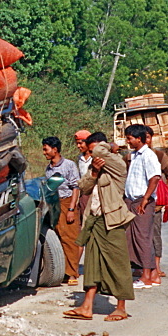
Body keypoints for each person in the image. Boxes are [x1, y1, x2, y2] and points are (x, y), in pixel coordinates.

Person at [63, 132, 136, 322]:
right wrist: (94, 173)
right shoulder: (97, 167)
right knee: (92, 264)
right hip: (95, 219)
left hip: (112, 220)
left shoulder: (118, 165)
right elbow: (84, 186)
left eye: (98, 150)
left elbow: (98, 150)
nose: (95, 155)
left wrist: (108, 145)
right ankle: (86, 306)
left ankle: (121, 308)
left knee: (118, 263)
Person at [123, 124, 162, 289]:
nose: (128, 141)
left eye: (130, 138)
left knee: (143, 239)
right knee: (133, 238)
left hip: (142, 202)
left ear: (138, 138)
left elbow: (155, 178)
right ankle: (151, 274)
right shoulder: (134, 155)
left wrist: (145, 200)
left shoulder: (148, 155)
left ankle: (146, 276)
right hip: (132, 201)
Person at [42, 136, 82, 286]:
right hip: (54, 204)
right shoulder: (49, 168)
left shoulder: (69, 165)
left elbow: (75, 188)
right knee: (58, 236)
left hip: (67, 203)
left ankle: (72, 273)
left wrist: (71, 209)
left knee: (70, 239)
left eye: (46, 149)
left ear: (55, 149)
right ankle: (62, 271)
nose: (44, 153)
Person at [152, 144, 168, 281]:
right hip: (137, 203)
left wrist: (166, 191)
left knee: (155, 234)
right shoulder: (131, 157)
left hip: (155, 204)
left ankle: (156, 266)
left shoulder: (159, 156)